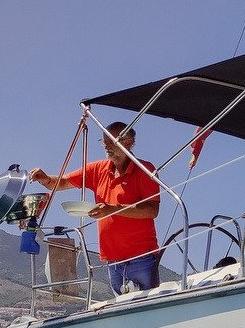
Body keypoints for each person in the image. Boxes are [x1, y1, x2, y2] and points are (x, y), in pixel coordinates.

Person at [30, 122, 161, 295]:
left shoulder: (145, 169)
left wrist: (112, 209)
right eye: (104, 141)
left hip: (141, 257)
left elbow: (152, 210)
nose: (106, 146)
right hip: (113, 260)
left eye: (111, 141)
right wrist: (45, 179)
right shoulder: (97, 169)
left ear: (129, 142)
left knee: (147, 306)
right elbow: (61, 183)